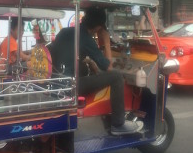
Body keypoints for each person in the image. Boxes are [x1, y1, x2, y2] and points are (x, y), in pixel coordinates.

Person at [50, 7, 143, 135]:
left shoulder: (65, 31)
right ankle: (118, 123)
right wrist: (105, 40)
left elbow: (66, 55)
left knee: (89, 69)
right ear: (98, 27)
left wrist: (90, 62)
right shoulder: (86, 39)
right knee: (116, 77)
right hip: (71, 85)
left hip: (57, 81)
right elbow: (108, 67)